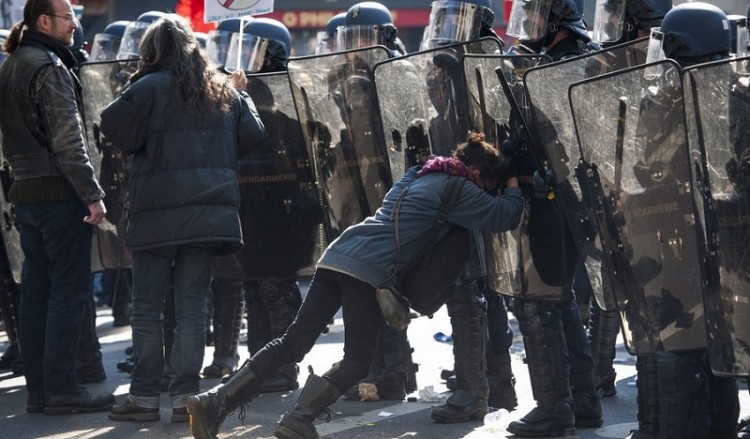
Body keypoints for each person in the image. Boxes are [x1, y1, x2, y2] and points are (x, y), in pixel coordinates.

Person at [186, 131, 523, 439]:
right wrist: (512, 183)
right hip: (367, 271)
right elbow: (503, 215)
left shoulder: (418, 175)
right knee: (358, 359)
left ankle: (215, 400)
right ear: (478, 174)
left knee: (292, 343)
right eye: (486, 185)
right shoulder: (460, 187)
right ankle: (299, 417)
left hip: (339, 254)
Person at [99, 14, 265, 423]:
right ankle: (184, 398)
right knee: (193, 308)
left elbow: (112, 127)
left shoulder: (145, 88)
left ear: (151, 51)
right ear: (194, 48)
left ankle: (143, 397)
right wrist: (242, 93)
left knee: (147, 308)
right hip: (208, 216)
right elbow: (254, 136)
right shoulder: (221, 89)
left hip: (155, 215)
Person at [0, 0, 114, 415]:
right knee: (69, 293)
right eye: (68, 18)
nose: (74, 25)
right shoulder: (48, 65)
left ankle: (40, 392)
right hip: (58, 195)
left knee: (36, 294)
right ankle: (62, 389)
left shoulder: (13, 63)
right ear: (44, 21)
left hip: (26, 195)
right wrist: (92, 193)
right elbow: (70, 141)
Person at [501, 0, 604, 435]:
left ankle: (554, 408)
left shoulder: (567, 66)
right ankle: (583, 403)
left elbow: (556, 134)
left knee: (538, 302)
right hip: (564, 198)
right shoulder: (556, 61)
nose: (531, 24)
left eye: (540, 15)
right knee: (558, 300)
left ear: (559, 21)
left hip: (554, 196)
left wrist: (508, 156)